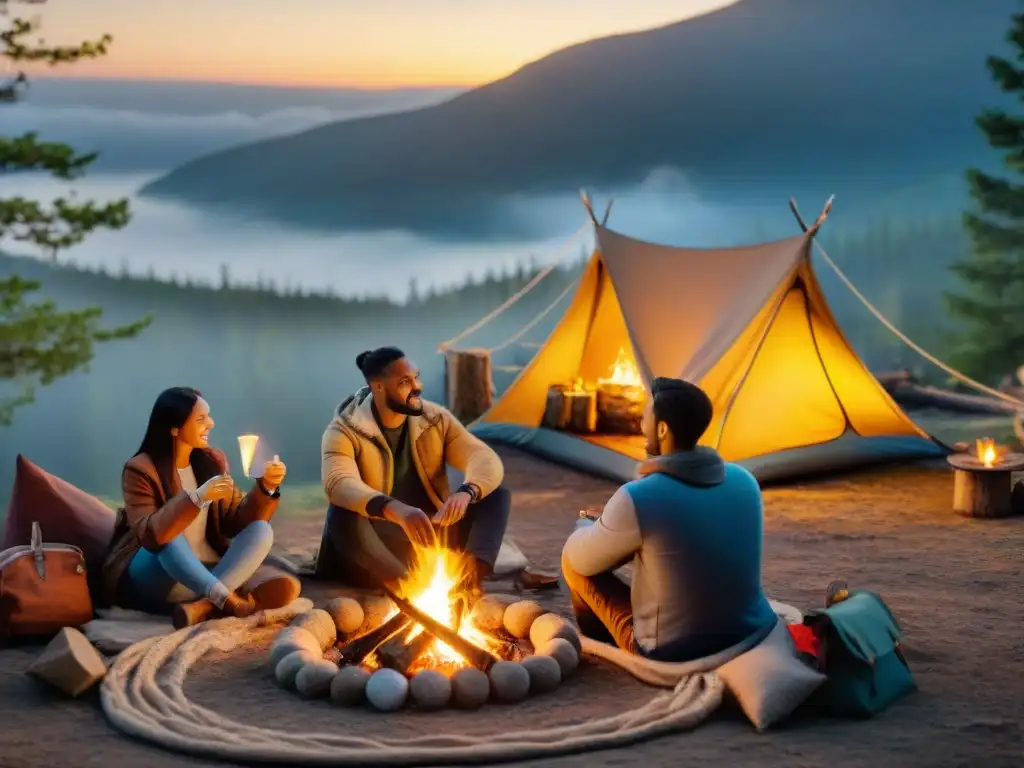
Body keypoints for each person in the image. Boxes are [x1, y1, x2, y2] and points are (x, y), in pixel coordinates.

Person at [560, 376, 777, 662]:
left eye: (645, 416)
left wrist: (587, 527)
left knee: (573, 561)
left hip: (673, 650)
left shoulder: (638, 497)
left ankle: (609, 649)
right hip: (748, 631)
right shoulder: (744, 480)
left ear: (662, 429)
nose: (640, 424)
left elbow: (582, 559)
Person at [316, 347, 510, 599]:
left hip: (430, 532)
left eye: (416, 377)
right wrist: (395, 509)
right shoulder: (343, 430)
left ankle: (470, 579)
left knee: (495, 495)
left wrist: (467, 491)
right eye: (405, 382)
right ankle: (404, 587)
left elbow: (483, 457)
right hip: (377, 542)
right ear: (378, 387)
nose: (417, 386)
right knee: (341, 512)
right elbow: (338, 483)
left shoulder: (435, 419)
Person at [101, 387, 301, 629]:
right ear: (174, 429)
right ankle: (226, 601)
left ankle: (204, 606)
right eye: (201, 419)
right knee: (170, 536)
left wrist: (266, 488)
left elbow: (236, 521)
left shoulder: (211, 461)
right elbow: (150, 535)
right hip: (155, 578)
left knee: (261, 530)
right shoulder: (140, 469)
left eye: (209, 416)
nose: (211, 424)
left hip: (207, 576)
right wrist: (196, 498)